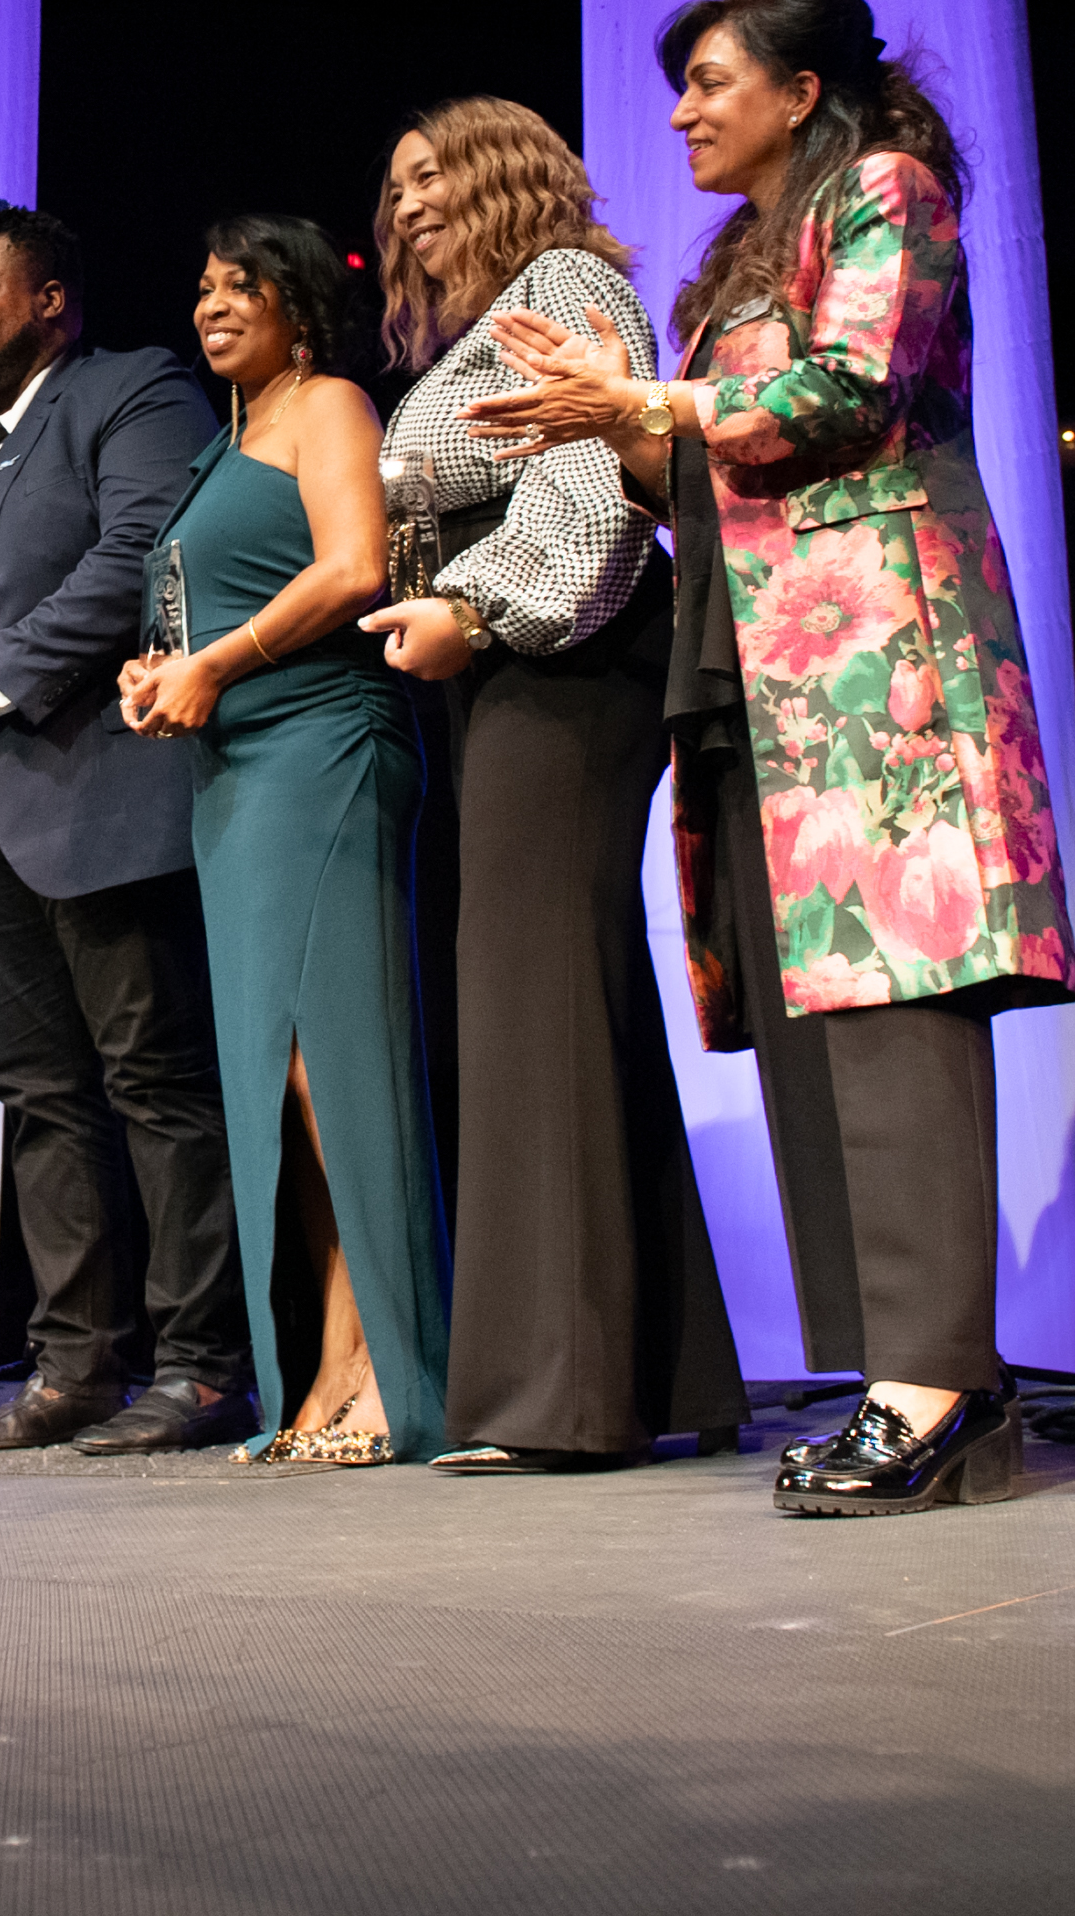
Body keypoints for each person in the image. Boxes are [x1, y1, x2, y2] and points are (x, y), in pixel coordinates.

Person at [465, 0, 1075, 1517]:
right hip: (749, 673)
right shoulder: (734, 260)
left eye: (710, 81)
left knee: (891, 1009)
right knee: (809, 1030)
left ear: (801, 91)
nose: (680, 112)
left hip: (878, 663)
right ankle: (895, 1371)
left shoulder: (885, 188)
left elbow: (854, 388)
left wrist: (652, 404)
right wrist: (614, 427)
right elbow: (719, 454)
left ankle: (937, 1383)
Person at [359, 101, 747, 1471]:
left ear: (502, 174)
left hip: (559, 659)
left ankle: (559, 1401)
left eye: (430, 178)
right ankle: (661, 1371)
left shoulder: (567, 286)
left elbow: (587, 493)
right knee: (566, 999)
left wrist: (474, 609)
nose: (406, 207)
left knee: (530, 995)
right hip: (502, 672)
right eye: (394, 189)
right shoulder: (488, 321)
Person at [0, 200, 252, 1457]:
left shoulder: (132, 393)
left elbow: (140, 551)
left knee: (157, 1084)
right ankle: (77, 1364)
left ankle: (202, 1366)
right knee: (38, 1093)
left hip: (98, 794)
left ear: (50, 301)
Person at [119, 215, 445, 1464]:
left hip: (324, 748)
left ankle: (386, 1369)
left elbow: (355, 567)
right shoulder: (225, 444)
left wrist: (220, 658)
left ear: (298, 305)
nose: (210, 305)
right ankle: (324, 1358)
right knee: (275, 1083)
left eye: (237, 286)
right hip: (234, 776)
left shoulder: (331, 407)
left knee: (333, 1070)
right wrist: (163, 674)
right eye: (200, 287)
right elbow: (215, 603)